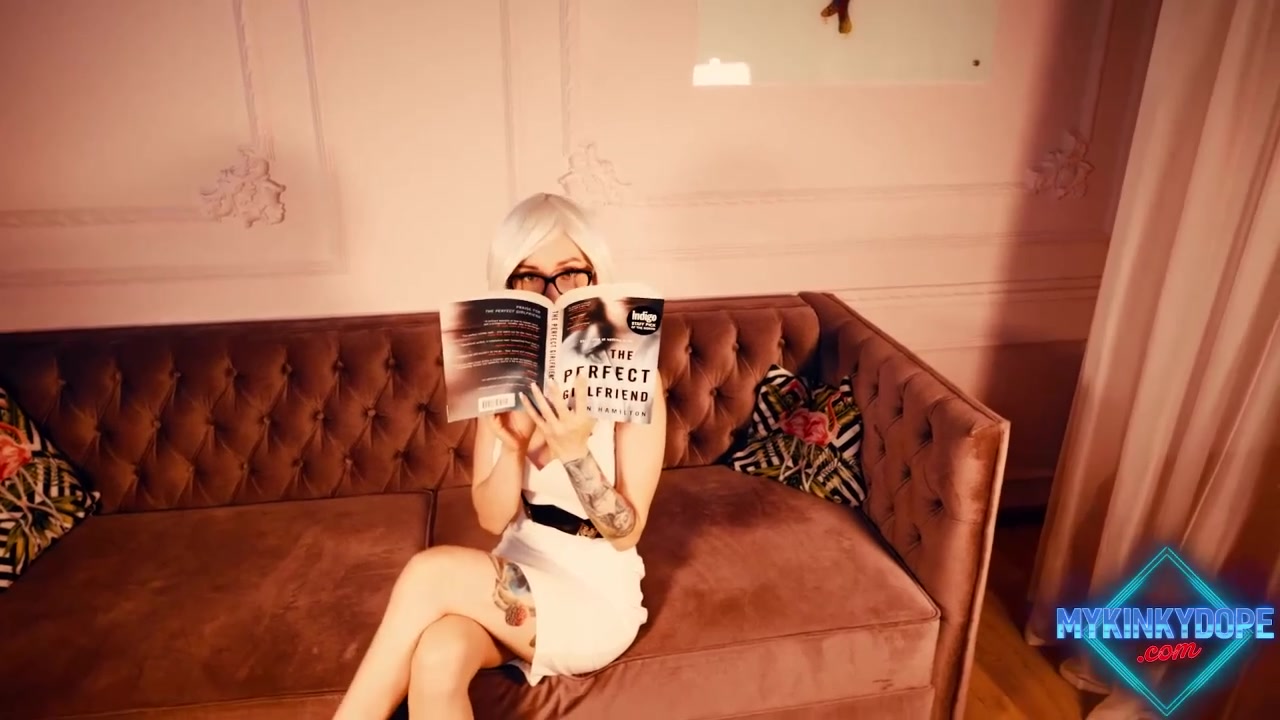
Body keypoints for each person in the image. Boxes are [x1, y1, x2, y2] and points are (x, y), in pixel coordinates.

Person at [334, 193, 668, 720]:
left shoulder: (635, 380)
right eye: (529, 277)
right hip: (521, 561)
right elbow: (492, 518)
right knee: (439, 653)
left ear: (595, 275)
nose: (552, 293)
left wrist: (574, 452)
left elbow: (626, 534)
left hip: (595, 592)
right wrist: (511, 448)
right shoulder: (502, 375)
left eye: (570, 274)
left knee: (430, 571)